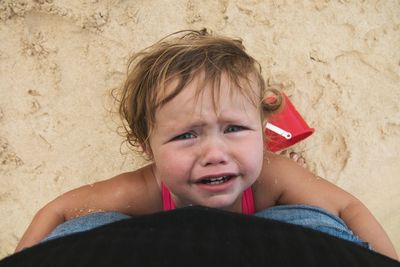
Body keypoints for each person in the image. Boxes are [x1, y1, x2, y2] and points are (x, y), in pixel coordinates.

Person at [15, 29, 398, 260]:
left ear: (262, 126)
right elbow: (61, 211)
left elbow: (347, 207)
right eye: (186, 135)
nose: (214, 154)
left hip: (269, 197)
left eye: (233, 128)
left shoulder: (273, 178)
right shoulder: (146, 189)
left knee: (302, 202)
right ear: (146, 146)